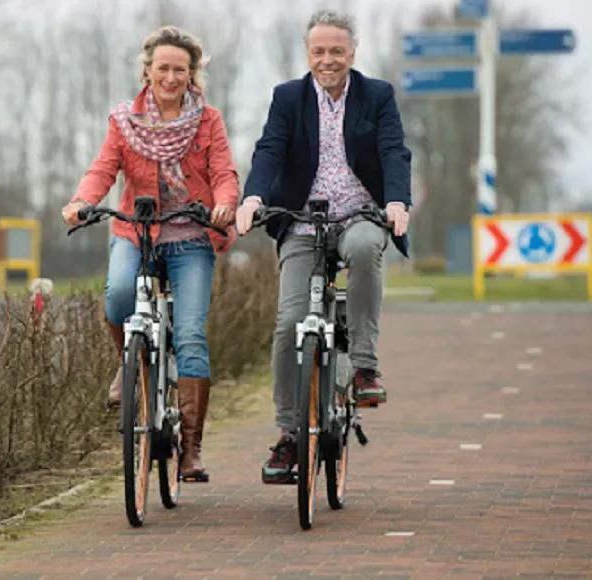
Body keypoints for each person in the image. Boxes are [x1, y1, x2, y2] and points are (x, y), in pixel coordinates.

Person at [235, 9, 412, 484]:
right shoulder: (288, 98)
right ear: (307, 54)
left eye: (337, 51)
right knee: (290, 321)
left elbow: (394, 150)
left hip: (361, 213)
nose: (328, 60)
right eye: (319, 51)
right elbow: (269, 149)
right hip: (301, 221)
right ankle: (290, 433)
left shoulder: (377, 96)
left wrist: (396, 201)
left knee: (361, 249)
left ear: (353, 54)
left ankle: (364, 369)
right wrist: (253, 197)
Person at [62, 25, 240, 482]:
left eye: (180, 69)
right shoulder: (124, 121)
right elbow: (103, 168)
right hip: (136, 232)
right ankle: (134, 365)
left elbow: (223, 172)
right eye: (163, 68)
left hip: (192, 238)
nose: (171, 77)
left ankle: (191, 449)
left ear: (192, 74)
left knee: (191, 336)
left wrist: (225, 205)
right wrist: (83, 201)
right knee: (119, 296)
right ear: (148, 72)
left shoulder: (208, 120)